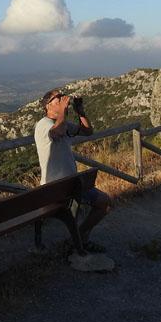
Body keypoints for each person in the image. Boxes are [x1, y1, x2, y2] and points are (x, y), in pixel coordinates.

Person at [34, 89, 111, 248]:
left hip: (71, 186)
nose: (63, 99)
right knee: (100, 202)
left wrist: (80, 112)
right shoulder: (43, 125)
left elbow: (88, 131)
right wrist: (63, 109)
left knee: (104, 202)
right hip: (53, 189)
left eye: (63, 96)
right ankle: (79, 239)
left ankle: (79, 236)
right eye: (58, 98)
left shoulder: (65, 124)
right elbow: (58, 131)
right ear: (47, 105)